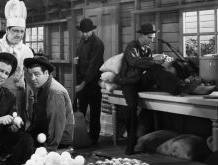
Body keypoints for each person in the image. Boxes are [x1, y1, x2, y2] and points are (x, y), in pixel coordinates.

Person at [118, 23, 200, 155]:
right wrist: (155, 59)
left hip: (141, 80)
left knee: (157, 69)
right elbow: (135, 62)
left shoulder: (147, 50)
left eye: (153, 38)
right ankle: (130, 143)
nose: (152, 40)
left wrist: (163, 62)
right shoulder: (131, 46)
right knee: (132, 108)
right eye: (150, 37)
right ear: (142, 36)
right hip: (129, 82)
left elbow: (150, 67)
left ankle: (181, 86)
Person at [24, 55, 74, 151]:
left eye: (36, 74)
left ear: (46, 73)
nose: (33, 78)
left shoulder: (55, 92)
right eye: (30, 74)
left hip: (57, 141)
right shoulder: (42, 86)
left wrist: (49, 149)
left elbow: (57, 124)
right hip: (43, 133)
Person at [75, 18, 104, 145]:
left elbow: (93, 67)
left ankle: (93, 139)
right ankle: (80, 136)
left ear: (92, 30)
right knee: (81, 110)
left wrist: (82, 84)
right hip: (81, 80)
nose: (85, 34)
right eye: (83, 32)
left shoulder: (98, 44)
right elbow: (79, 56)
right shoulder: (82, 40)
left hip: (92, 82)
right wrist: (76, 60)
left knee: (94, 111)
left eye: (87, 31)